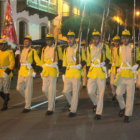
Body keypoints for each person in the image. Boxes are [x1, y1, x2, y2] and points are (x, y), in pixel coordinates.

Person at [115, 30, 140, 122]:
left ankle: (127, 114)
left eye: (126, 37)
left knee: (130, 96)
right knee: (118, 94)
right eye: (123, 37)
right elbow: (117, 61)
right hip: (121, 75)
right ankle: (122, 107)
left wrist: (137, 65)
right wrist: (115, 70)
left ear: (129, 38)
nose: (124, 39)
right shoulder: (119, 49)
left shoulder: (134, 48)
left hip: (130, 75)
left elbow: (139, 59)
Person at [87, 30, 111, 120]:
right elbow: (88, 60)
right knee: (90, 92)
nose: (95, 40)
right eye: (93, 39)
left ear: (99, 39)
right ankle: (96, 103)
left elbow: (109, 58)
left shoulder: (105, 46)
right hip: (92, 72)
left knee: (100, 94)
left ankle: (98, 112)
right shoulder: (89, 47)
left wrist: (104, 62)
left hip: (101, 72)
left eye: (96, 39)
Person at [62, 31, 86, 117]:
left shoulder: (79, 49)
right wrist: (63, 74)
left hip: (76, 73)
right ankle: (72, 104)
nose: (69, 40)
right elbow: (64, 63)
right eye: (68, 39)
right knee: (65, 91)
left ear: (74, 39)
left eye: (71, 38)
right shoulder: (66, 49)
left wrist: (80, 65)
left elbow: (84, 60)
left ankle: (73, 110)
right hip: (68, 73)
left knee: (75, 93)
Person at [16, 35, 41, 113]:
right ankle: (28, 99)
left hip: (29, 72)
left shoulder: (33, 51)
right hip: (21, 72)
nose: (25, 42)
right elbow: (19, 62)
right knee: (18, 88)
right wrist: (17, 55)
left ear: (30, 42)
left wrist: (35, 72)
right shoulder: (22, 50)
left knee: (28, 91)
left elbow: (39, 62)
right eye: (24, 41)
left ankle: (27, 106)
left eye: (26, 41)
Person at [41, 33, 61, 115]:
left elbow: (61, 59)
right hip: (45, 71)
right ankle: (52, 100)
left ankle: (50, 108)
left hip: (53, 71)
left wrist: (57, 63)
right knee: (44, 90)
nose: (48, 41)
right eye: (47, 39)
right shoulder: (43, 49)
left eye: (49, 39)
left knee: (51, 90)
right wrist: (41, 68)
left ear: (53, 40)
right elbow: (42, 60)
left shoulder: (57, 48)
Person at [0, 38, 15, 111]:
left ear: (5, 45)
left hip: (6, 72)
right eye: (0, 44)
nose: (0, 46)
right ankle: (7, 98)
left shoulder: (10, 52)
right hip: (0, 72)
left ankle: (5, 104)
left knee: (6, 88)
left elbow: (12, 62)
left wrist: (7, 71)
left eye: (2, 44)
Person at [109, 35, 120, 101]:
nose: (116, 43)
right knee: (112, 83)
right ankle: (114, 93)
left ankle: (117, 94)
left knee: (118, 83)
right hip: (113, 68)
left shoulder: (120, 49)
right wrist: (109, 68)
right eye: (115, 42)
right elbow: (110, 58)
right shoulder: (112, 49)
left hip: (119, 68)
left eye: (117, 41)